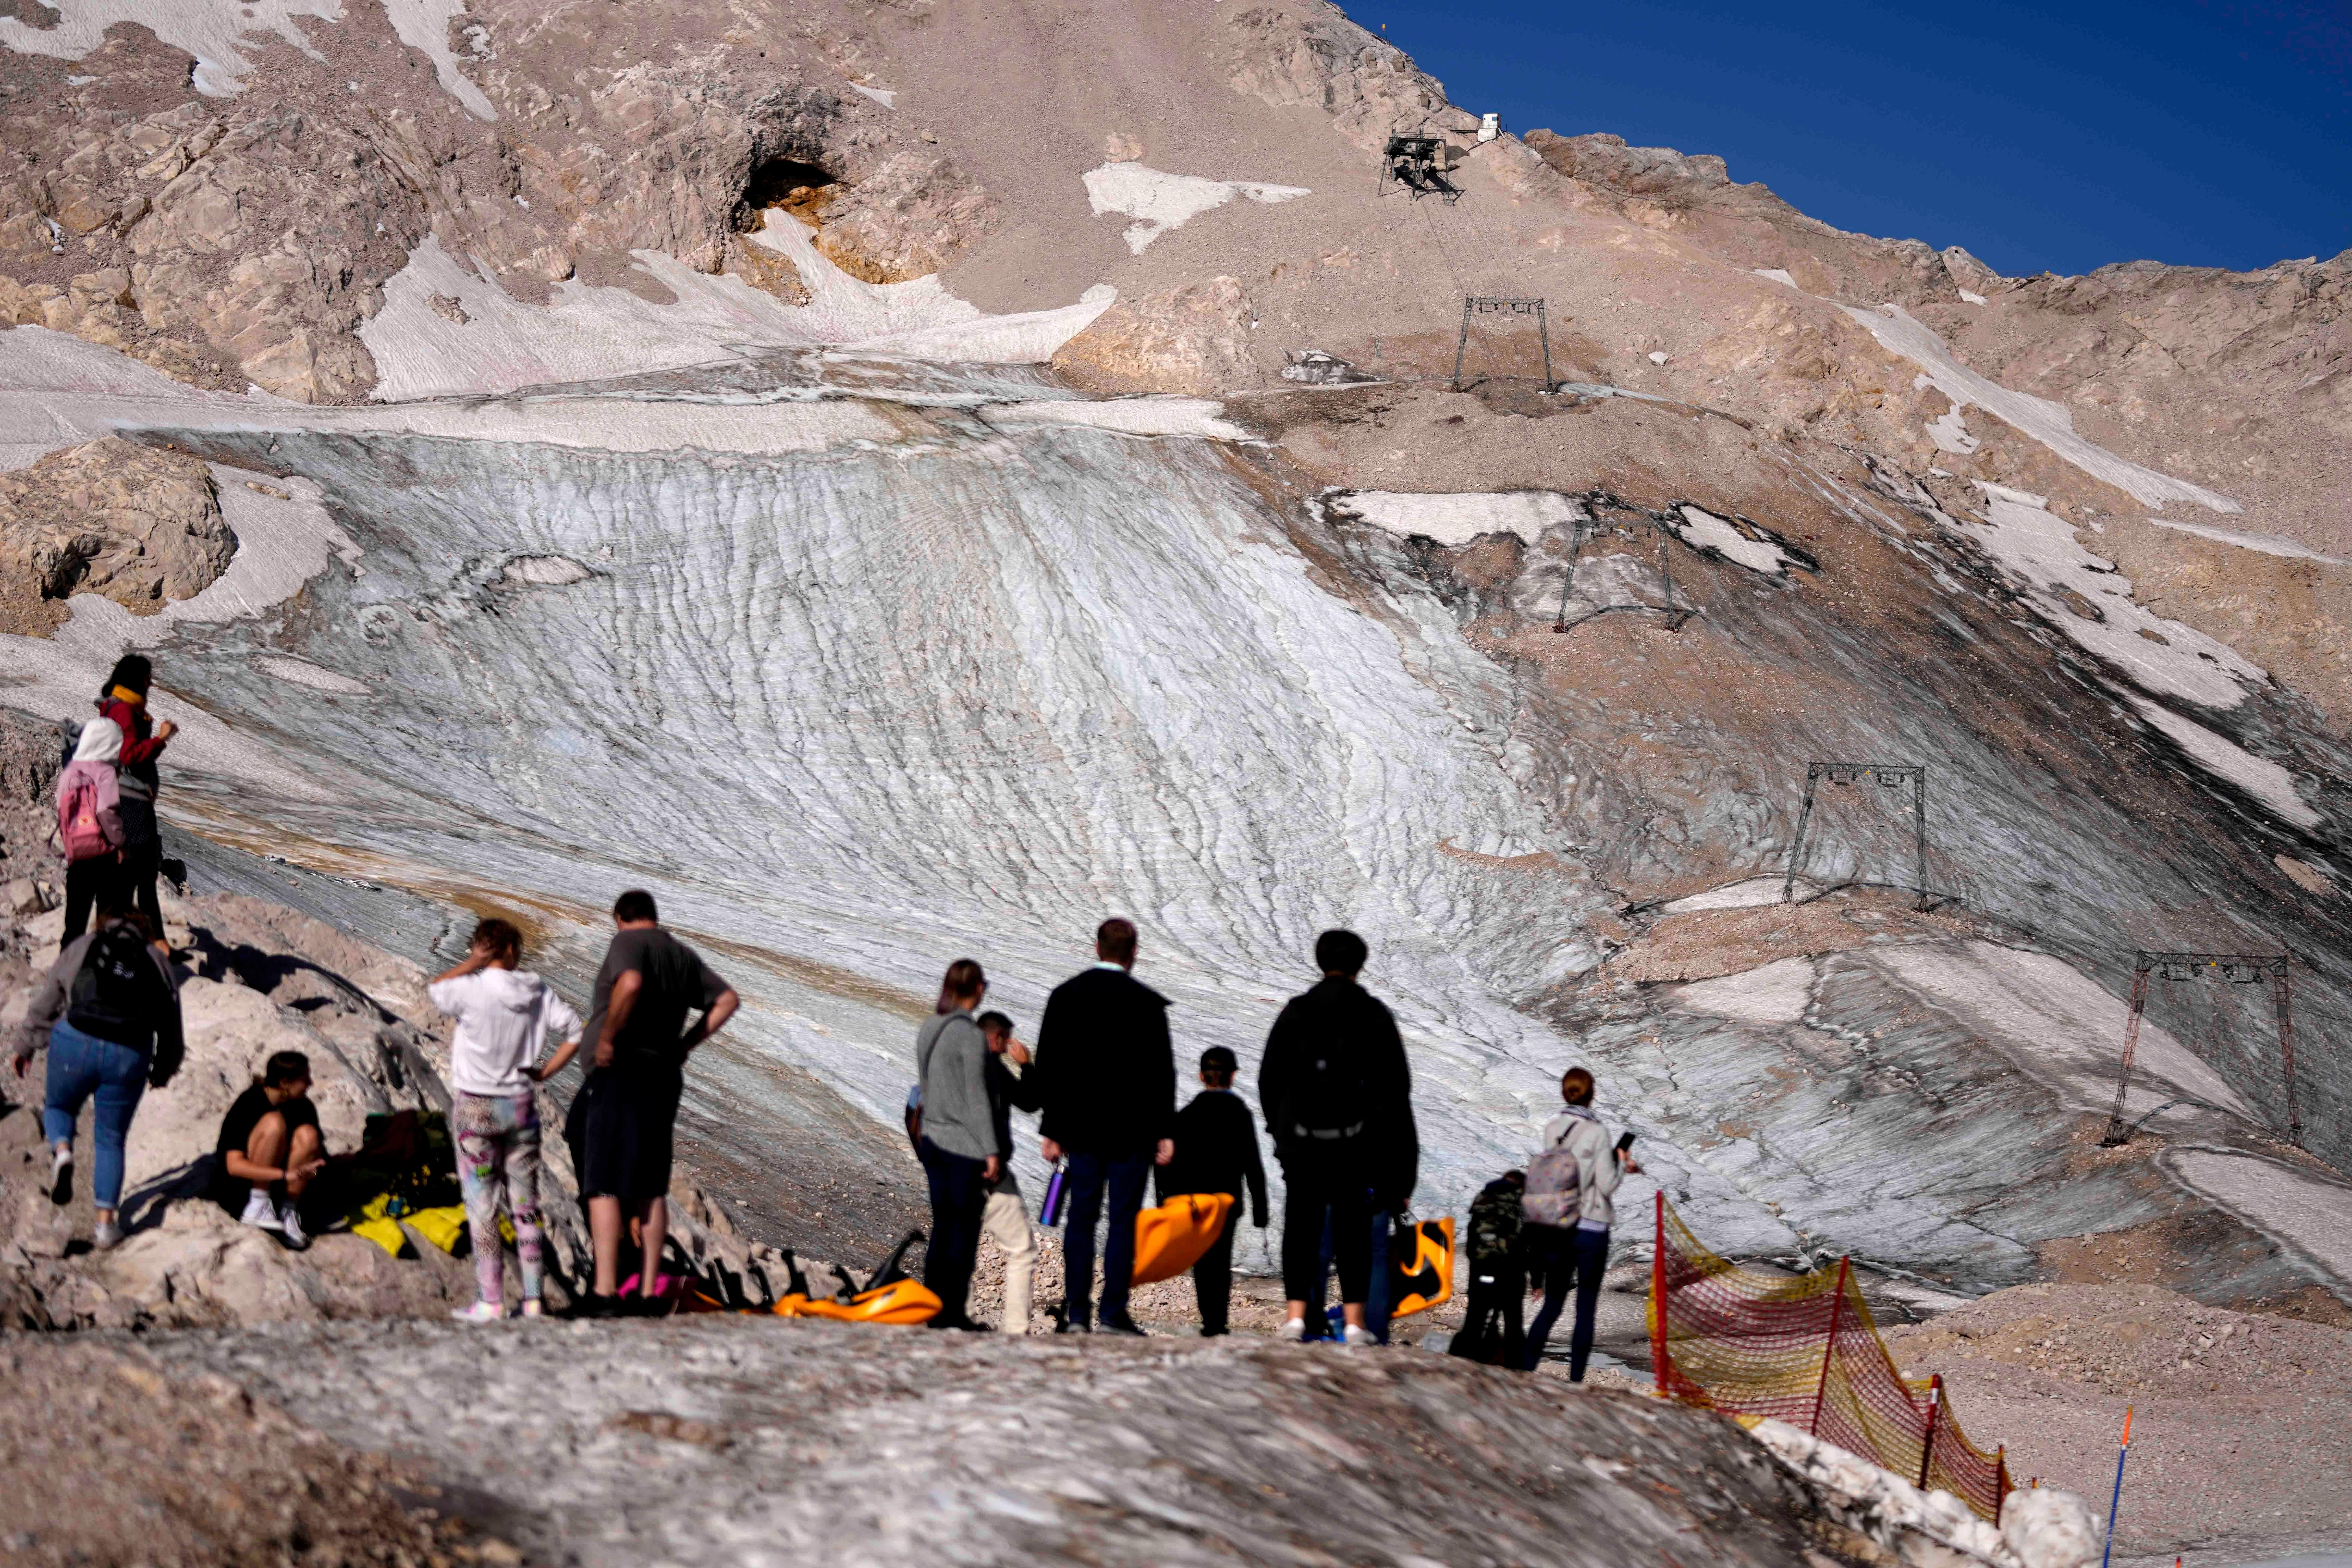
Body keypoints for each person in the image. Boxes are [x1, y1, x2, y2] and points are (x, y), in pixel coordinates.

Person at [568, 889, 738, 1317]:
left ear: (621, 917)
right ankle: (647, 1294)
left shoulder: (629, 943)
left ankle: (604, 1292)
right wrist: (685, 1045)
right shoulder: (681, 953)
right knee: (651, 1186)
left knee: (604, 1180)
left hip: (622, 1071)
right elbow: (728, 1000)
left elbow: (631, 982)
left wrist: (607, 1038)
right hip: (663, 1076)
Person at [1258, 927, 1416, 1347]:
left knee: (1302, 1229)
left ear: (1319, 960)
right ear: (1360, 965)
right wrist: (1403, 1169)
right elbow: (1397, 1093)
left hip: (1303, 1144)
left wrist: (1282, 1132)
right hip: (1357, 1145)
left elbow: (1270, 1079)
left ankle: (1294, 1320)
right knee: (1354, 1233)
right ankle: (1355, 1325)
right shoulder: (1374, 1015)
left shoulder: (1296, 1011)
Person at [428, 917, 583, 1323]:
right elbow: (575, 1031)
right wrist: (547, 1072)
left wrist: (471, 965)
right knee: (526, 1206)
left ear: (479, 950)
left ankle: (491, 1301)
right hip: (520, 1106)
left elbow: (436, 990)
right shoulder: (536, 991)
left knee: (482, 1208)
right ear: (513, 950)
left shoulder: (469, 989)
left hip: (477, 1107)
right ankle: (533, 1302)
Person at [10, 899, 182, 1251]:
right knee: (111, 1138)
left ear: (103, 923)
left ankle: (62, 1152)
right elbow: (171, 1028)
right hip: (129, 1053)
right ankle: (105, 1227)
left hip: (75, 1040)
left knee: (59, 1108)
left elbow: (49, 999)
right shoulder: (157, 961)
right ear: (144, 929)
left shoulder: (84, 946)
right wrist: (163, 1070)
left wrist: (26, 1046)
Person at [1030, 917, 1175, 1336]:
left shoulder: (1066, 997)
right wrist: (1164, 1131)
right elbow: (1161, 1075)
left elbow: (1051, 1067)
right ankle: (1113, 1313)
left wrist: (1052, 1128)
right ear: (1133, 954)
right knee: (1123, 1221)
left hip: (1081, 1130)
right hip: (1132, 1132)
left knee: (1082, 1218)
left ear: (1097, 948)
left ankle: (1077, 1313)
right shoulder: (1147, 1003)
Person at [1521, 1066, 1637, 1378]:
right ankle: (1575, 1382)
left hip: (1560, 1226)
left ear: (1564, 1092)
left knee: (1553, 1305)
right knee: (1585, 1308)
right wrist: (1623, 1162)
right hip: (1591, 1228)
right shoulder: (1598, 1132)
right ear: (1592, 1094)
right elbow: (1607, 1184)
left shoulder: (1554, 1128)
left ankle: (1526, 1372)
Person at [911, 959, 999, 1331]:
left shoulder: (930, 1026)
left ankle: (932, 1307)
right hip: (962, 1146)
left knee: (943, 1227)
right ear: (977, 989)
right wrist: (991, 1151)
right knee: (963, 1232)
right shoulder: (970, 1034)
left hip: (931, 1139)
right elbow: (977, 1098)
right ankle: (952, 1314)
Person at [1156, 1046, 1267, 1337]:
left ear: (1201, 1076)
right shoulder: (1240, 1114)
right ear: (1232, 1077)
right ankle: (1218, 1321)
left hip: (1194, 1201)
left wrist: (1166, 1201)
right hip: (1227, 1200)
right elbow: (1252, 1162)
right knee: (1221, 1260)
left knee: (1203, 1261)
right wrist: (1261, 1208)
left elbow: (1167, 1162)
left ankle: (1209, 1320)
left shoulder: (1187, 1115)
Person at [209, 1050, 324, 1249]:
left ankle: (288, 1212)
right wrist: (286, 1175)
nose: (311, 1084)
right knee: (274, 1123)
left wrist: (312, 1172)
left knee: (309, 1134)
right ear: (284, 1083)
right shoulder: (249, 1103)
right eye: (305, 1079)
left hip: (283, 1188)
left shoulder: (304, 1106)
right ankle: (259, 1204)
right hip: (243, 1189)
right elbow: (234, 1166)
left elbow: (316, 1159)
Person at [96, 655, 176, 939]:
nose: (150, 684)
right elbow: (129, 754)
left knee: (131, 873)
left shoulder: (117, 707)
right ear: (135, 679)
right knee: (143, 874)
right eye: (146, 678)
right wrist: (162, 739)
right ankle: (156, 945)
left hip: (126, 798)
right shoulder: (124, 712)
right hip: (131, 801)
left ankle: (117, 935)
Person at [976, 1010, 1043, 1334]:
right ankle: (1017, 1329)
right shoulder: (992, 1067)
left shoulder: (954, 1064)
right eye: (1006, 1040)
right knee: (1022, 1249)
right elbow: (1030, 1101)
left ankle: (957, 1318)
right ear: (997, 1037)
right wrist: (1027, 1064)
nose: (1008, 1047)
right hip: (991, 1171)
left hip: (951, 1167)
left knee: (960, 1243)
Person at [55, 716, 126, 943]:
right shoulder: (105, 772)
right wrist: (120, 842)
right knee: (107, 922)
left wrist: (71, 845)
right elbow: (107, 811)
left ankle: (67, 970)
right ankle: (102, 969)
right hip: (104, 856)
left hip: (78, 857)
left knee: (74, 922)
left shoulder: (70, 771)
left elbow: (62, 810)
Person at [1450, 1169, 1529, 1367]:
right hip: (1509, 1270)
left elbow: (1472, 1239)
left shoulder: (1483, 1200)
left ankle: (1462, 1367)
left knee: (1475, 1319)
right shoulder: (1521, 1204)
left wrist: (1477, 1266)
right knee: (1513, 1324)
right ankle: (1517, 1371)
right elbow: (1527, 1242)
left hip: (1481, 1268)